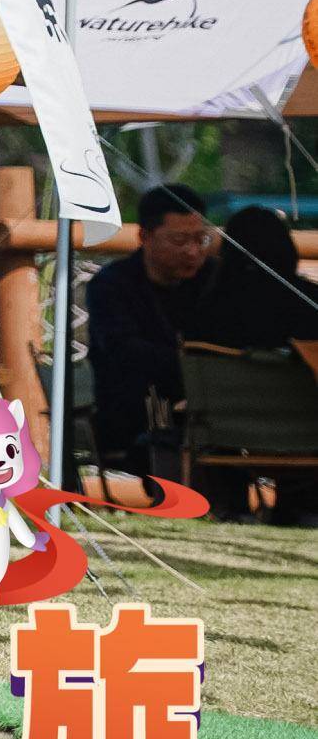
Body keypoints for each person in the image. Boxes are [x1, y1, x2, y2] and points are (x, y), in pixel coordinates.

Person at [86, 182, 318, 513]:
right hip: (143, 413)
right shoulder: (113, 287)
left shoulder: (222, 287)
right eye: (180, 240)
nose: (193, 251)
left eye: (201, 240)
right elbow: (123, 355)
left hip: (224, 419)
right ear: (145, 237)